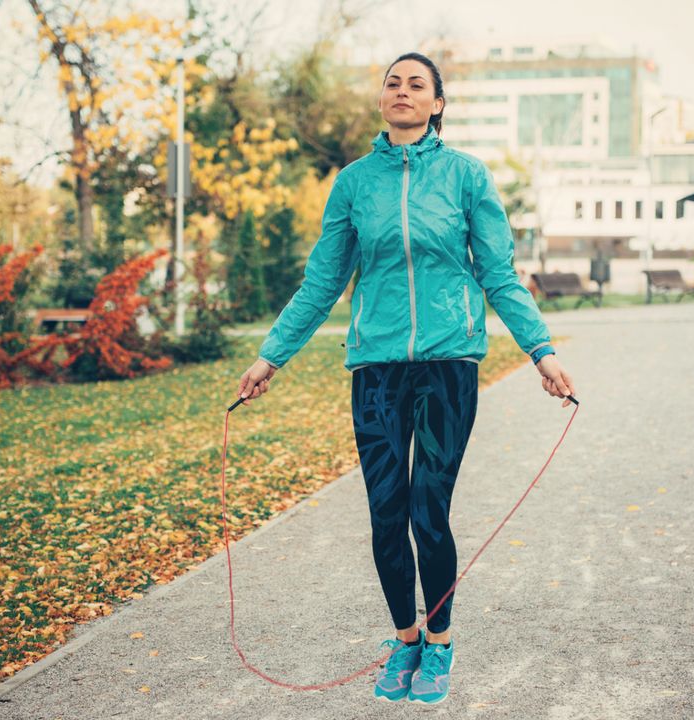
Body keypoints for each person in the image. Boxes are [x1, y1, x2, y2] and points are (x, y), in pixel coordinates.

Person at [235, 51, 576, 705]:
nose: (402, 91)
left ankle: (441, 644)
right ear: (382, 99)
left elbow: (498, 273)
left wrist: (541, 350)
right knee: (387, 512)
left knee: (428, 509)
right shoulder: (354, 184)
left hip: (450, 364)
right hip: (377, 368)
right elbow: (323, 281)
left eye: (417, 84)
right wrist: (270, 356)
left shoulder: (467, 177)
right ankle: (405, 638)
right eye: (392, 82)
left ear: (437, 104)